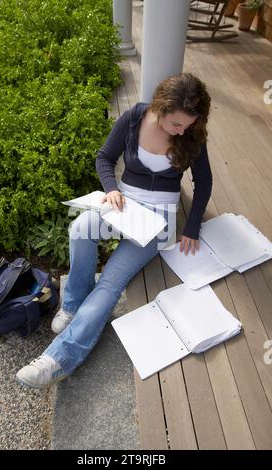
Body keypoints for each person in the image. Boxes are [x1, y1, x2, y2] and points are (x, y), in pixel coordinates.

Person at [16, 73, 212, 389]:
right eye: (176, 124)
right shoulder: (135, 116)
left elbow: (204, 183)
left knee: (110, 282)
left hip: (158, 221)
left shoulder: (191, 135)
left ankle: (59, 360)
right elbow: (105, 157)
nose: (182, 131)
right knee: (80, 228)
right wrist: (110, 188)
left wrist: (190, 226)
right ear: (161, 106)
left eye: (187, 126)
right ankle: (72, 303)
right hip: (123, 205)